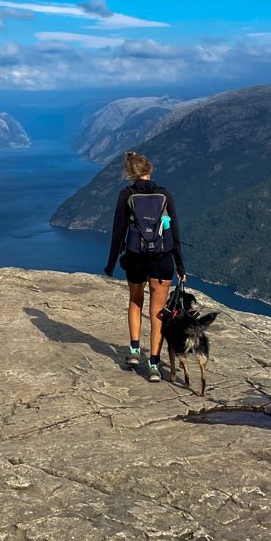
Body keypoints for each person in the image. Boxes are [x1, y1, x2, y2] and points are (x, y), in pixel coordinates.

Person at [104, 151, 187, 382]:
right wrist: (180, 265)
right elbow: (175, 232)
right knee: (158, 311)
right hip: (162, 259)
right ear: (150, 170)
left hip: (135, 257)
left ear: (130, 174)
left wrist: (111, 262)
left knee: (135, 301)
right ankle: (153, 364)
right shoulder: (164, 195)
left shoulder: (126, 195)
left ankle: (133, 352)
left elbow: (118, 232)